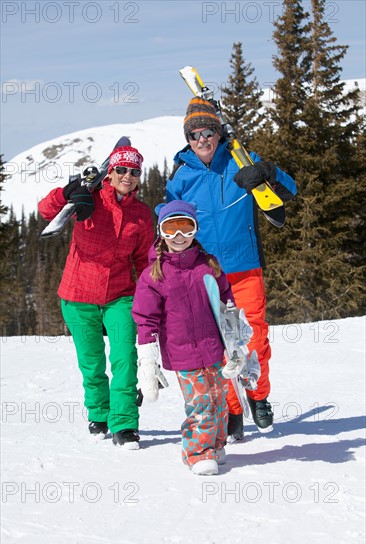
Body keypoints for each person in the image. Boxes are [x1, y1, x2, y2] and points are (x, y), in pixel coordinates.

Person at [166, 97, 297, 439]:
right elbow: (170, 225)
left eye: (208, 131)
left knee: (254, 336)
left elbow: (290, 190)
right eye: (194, 135)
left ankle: (259, 396)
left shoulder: (242, 161)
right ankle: (233, 409)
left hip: (244, 265)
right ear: (188, 139)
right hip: (206, 273)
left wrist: (267, 172)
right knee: (220, 345)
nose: (202, 140)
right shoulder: (181, 178)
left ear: (218, 133)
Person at [38, 144, 154, 449]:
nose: (127, 176)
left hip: (120, 295)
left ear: (139, 176)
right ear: (110, 172)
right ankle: (99, 413)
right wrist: (68, 192)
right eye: (121, 170)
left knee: (124, 359)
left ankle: (124, 423)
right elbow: (45, 210)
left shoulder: (141, 215)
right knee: (91, 363)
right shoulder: (87, 199)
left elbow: (143, 260)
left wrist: (148, 298)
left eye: (133, 171)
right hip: (78, 294)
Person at [131, 200, 244, 474]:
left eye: (186, 227)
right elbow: (146, 320)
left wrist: (236, 345)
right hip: (183, 354)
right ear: (161, 232)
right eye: (171, 229)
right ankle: (196, 452)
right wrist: (148, 363)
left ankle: (215, 446)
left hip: (214, 349)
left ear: (195, 230)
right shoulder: (153, 275)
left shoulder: (208, 266)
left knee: (219, 401)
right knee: (201, 403)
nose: (179, 237)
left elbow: (226, 302)